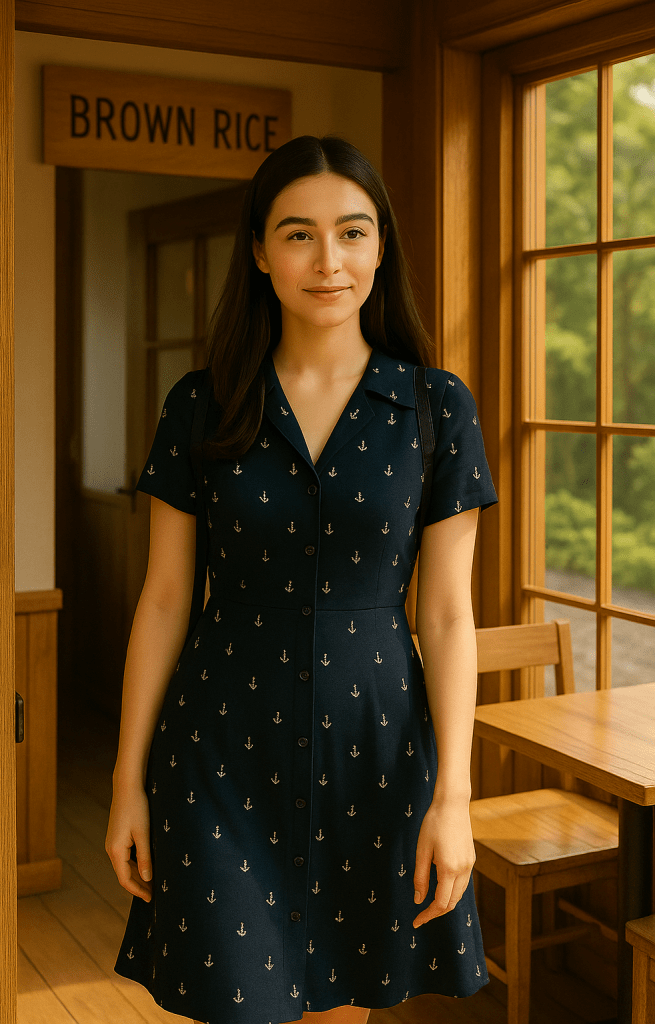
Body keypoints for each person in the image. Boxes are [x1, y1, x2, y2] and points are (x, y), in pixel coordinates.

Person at [106, 134, 498, 1024]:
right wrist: (127, 780)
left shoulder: (436, 407)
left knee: (337, 1010)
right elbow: (165, 599)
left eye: (352, 233)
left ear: (380, 246)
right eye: (298, 234)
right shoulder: (199, 404)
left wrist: (454, 798)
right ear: (258, 251)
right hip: (218, 748)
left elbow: (444, 615)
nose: (330, 261)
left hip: (377, 746)